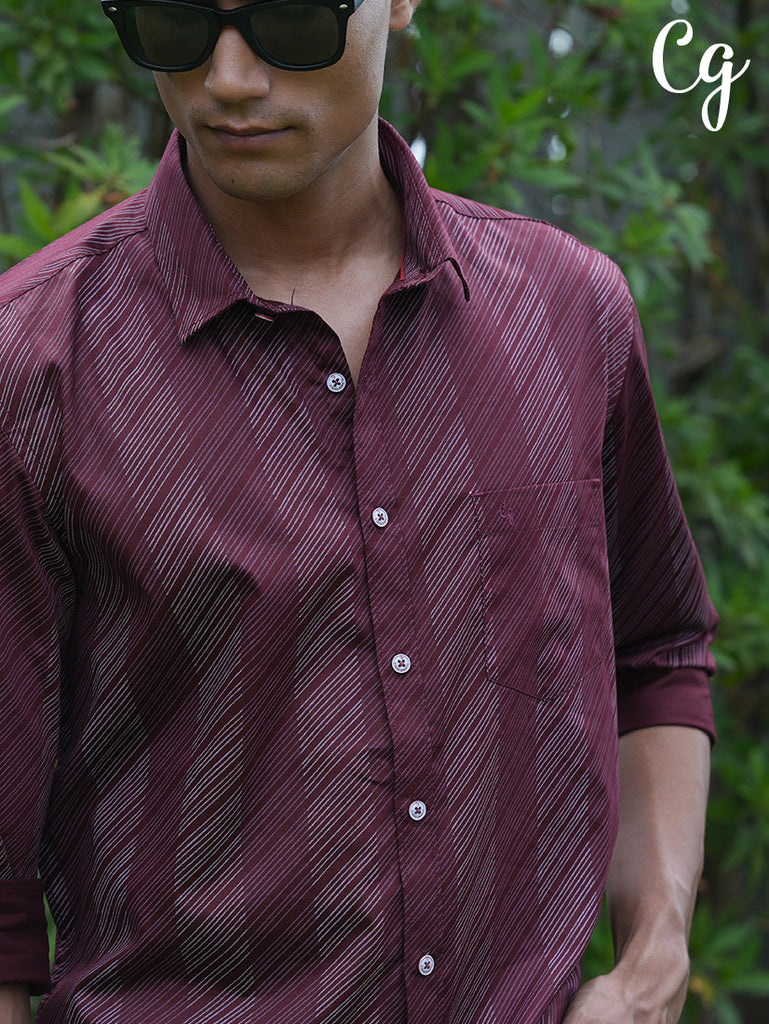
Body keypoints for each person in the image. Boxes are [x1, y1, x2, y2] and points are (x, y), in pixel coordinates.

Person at [0, 0, 717, 1022]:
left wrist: (651, 958)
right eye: (174, 22)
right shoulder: (34, 369)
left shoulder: (568, 314)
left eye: (289, 20)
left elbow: (651, 653)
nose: (232, 79)